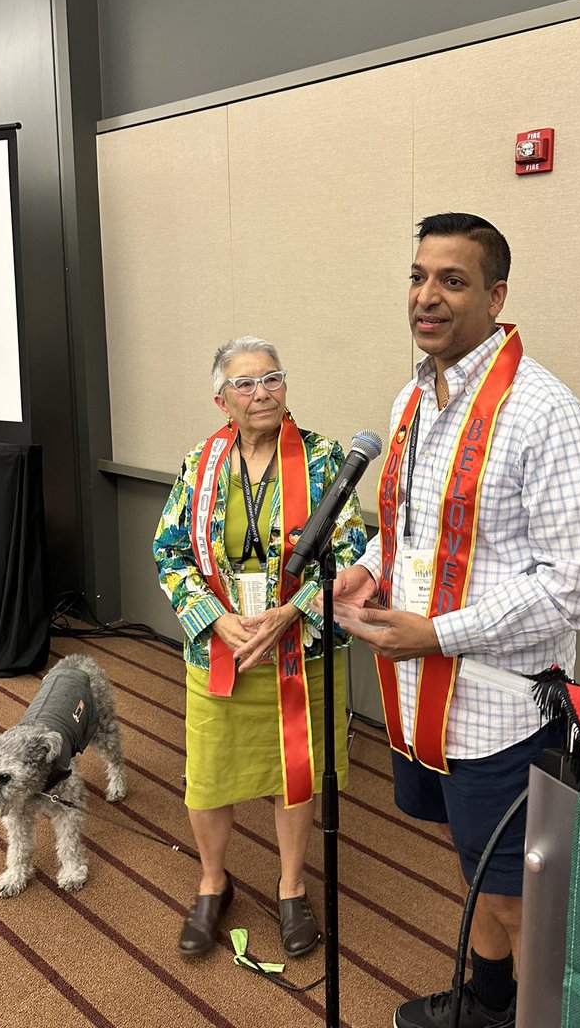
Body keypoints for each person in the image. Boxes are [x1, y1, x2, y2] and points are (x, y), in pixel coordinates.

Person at [332, 214, 580, 1028]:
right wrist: (369, 566)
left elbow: (579, 584)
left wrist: (441, 633)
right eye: (418, 276)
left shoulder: (544, 413)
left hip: (505, 712)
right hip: (426, 701)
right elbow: (411, 525)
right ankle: (488, 1005)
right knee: (482, 873)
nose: (427, 296)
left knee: (526, 901)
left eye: (452, 281)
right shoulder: (417, 396)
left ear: (496, 296)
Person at [153, 335, 366, 961]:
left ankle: (292, 886)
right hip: (221, 650)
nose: (262, 392)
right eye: (245, 384)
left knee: (293, 773)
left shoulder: (326, 459)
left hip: (300, 652)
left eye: (272, 378)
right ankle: (212, 882)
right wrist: (214, 618)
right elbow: (169, 550)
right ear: (222, 399)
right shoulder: (201, 461)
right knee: (210, 777)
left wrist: (293, 613)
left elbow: (355, 551)